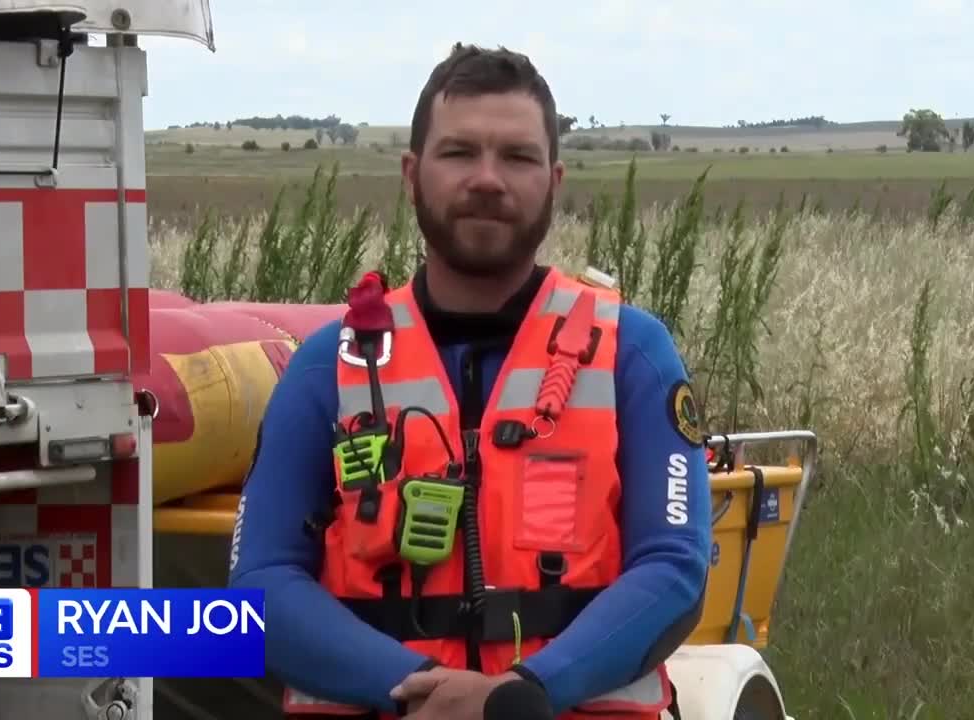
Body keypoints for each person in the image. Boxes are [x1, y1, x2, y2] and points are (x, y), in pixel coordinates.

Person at [228, 42, 712, 720]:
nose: (488, 179)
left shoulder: (633, 352)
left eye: (517, 156)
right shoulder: (326, 366)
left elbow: (674, 569)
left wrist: (523, 695)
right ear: (411, 173)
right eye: (459, 153)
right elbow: (261, 588)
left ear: (555, 179)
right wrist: (423, 689)